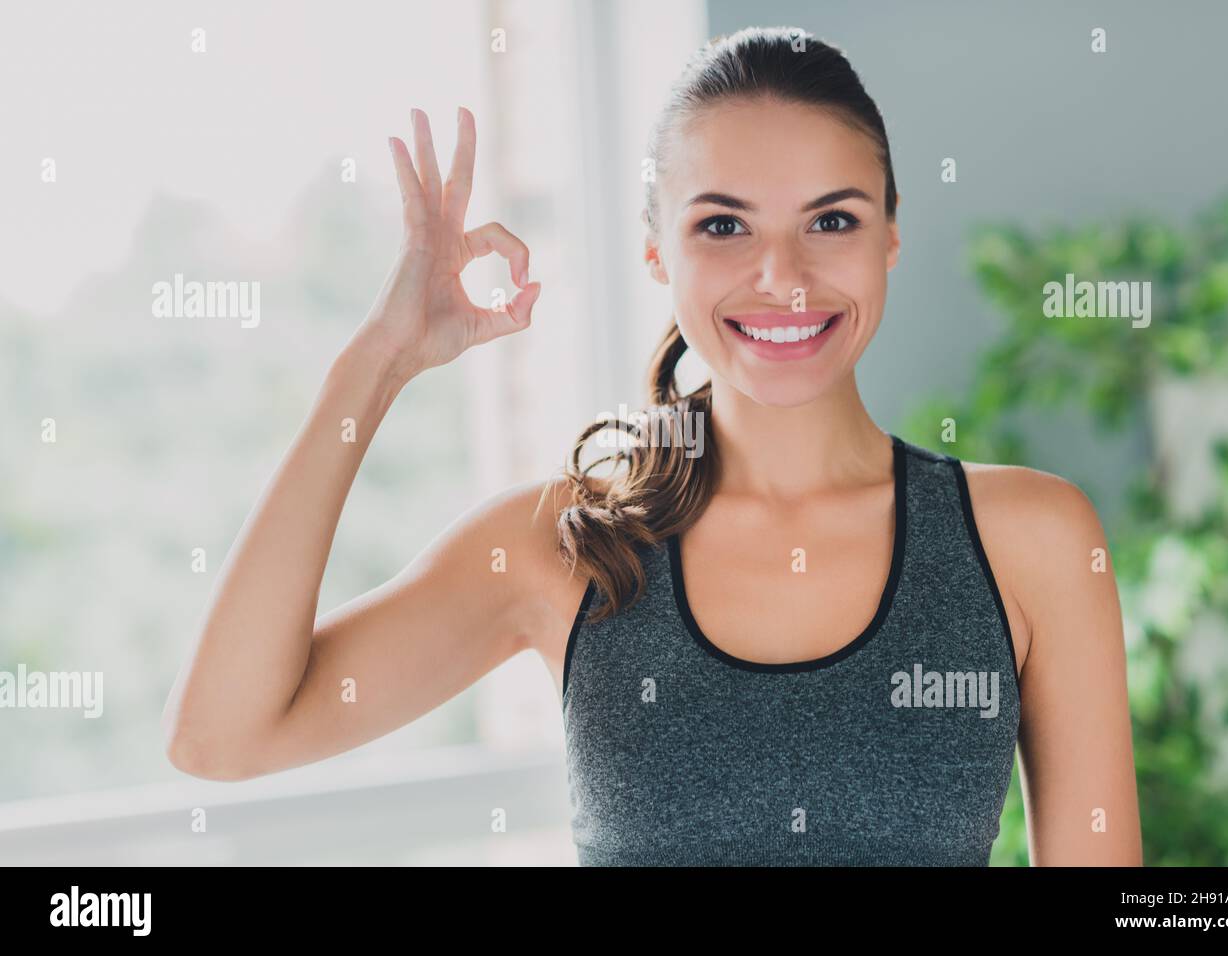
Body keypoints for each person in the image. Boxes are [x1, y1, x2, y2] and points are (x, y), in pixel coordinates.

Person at [163, 25, 1142, 866]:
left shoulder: (1032, 539)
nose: (782, 276)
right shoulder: (562, 544)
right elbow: (223, 733)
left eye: (830, 220)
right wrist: (375, 360)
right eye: (722, 224)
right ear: (654, 250)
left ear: (889, 234)